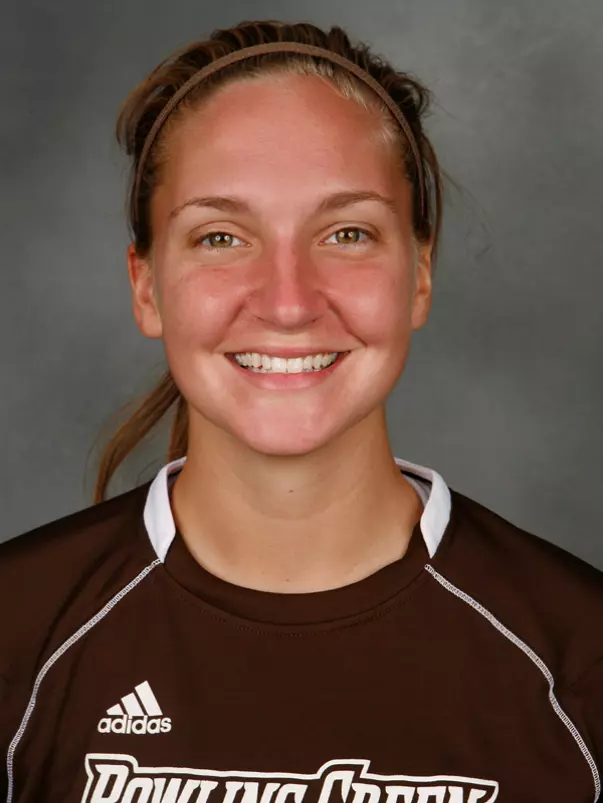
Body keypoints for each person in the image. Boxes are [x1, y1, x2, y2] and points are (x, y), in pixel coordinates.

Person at [1, 18, 602, 803]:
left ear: (418, 274)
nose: (287, 303)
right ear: (146, 285)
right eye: (220, 236)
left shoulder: (579, 659)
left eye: (346, 232)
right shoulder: (18, 636)